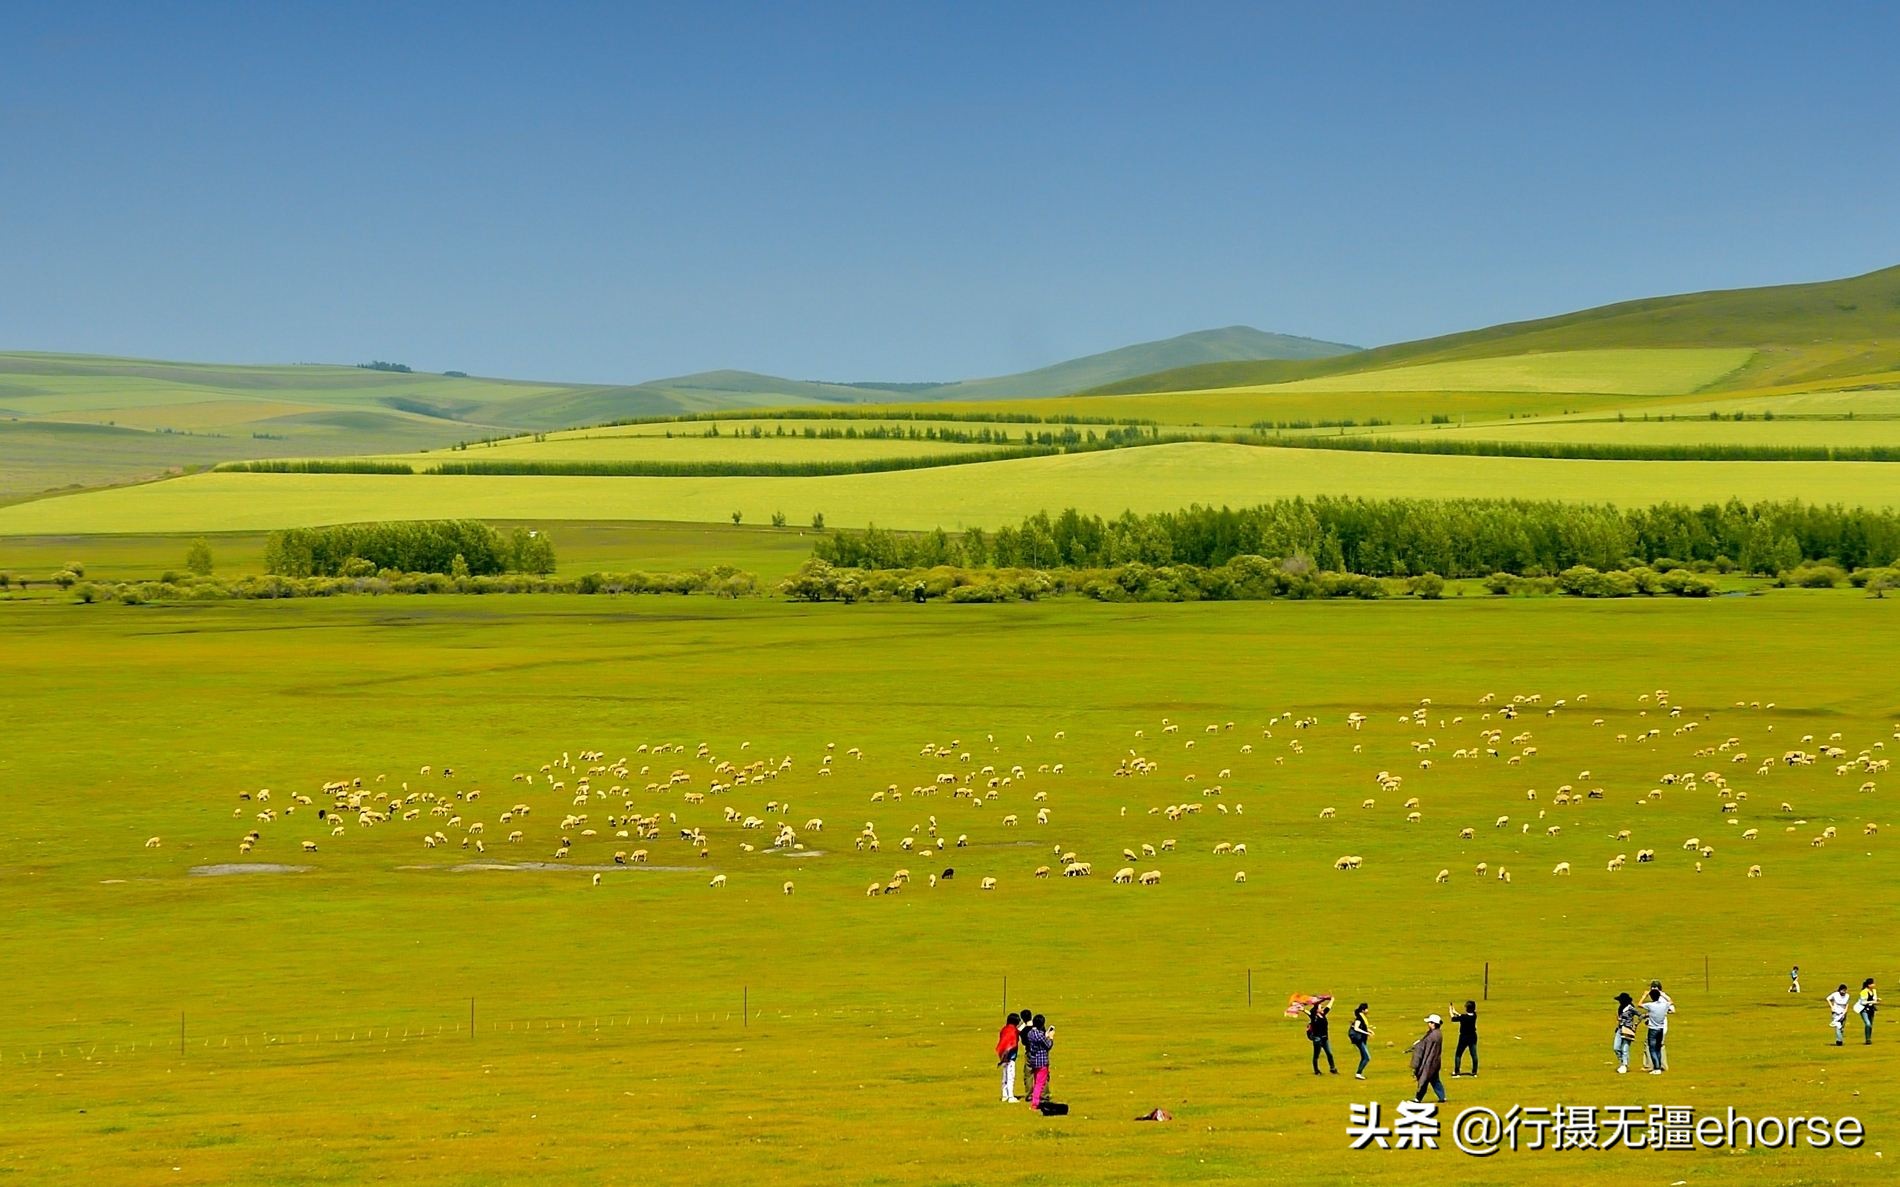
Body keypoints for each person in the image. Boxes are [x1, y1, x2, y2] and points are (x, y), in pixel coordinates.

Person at [1409, 1014, 1445, 1102]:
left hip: (1429, 1062)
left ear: (1433, 1024)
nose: (1428, 1024)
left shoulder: (1433, 1036)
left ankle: (1418, 1098)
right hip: (1435, 1062)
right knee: (1435, 1080)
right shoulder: (1437, 1033)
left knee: (1424, 1080)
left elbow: (1425, 1048)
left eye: (1430, 1022)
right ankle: (1442, 1097)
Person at [1023, 1014, 1055, 1109]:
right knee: (1040, 1083)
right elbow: (1048, 1045)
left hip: (1034, 1060)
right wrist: (1051, 1037)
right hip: (1042, 1061)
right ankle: (1035, 1103)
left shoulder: (1030, 1033)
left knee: (1037, 1081)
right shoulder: (1040, 1035)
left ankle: (1035, 1100)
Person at [1642, 986, 1674, 1074]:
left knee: (1652, 1049)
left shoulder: (1650, 1005)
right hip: (1661, 1028)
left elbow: (1639, 1004)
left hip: (1652, 1029)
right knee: (1658, 1048)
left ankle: (1656, 1068)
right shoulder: (1664, 1005)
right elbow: (1671, 1002)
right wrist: (1663, 994)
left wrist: (1644, 995)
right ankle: (1659, 1066)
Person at [996, 1012, 1022, 1102]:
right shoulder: (1013, 1030)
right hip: (1010, 1057)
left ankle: (1004, 1095)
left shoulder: (1005, 1029)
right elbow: (1012, 1043)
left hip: (1003, 1057)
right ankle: (1011, 1096)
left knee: (1004, 1076)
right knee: (1010, 1076)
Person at [1307, 998, 1337, 1075]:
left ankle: (1332, 1068)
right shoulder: (1314, 1017)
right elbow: (1309, 1013)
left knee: (1329, 1053)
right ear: (1316, 1010)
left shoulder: (1322, 1014)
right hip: (1318, 1039)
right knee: (1316, 1055)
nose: (1322, 1008)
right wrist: (1302, 1009)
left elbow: (1328, 1007)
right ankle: (1316, 1071)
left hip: (1325, 1038)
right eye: (1320, 1007)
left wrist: (1332, 1000)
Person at [1449, 1000, 1478, 1076]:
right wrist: (1455, 1011)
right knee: (1474, 1054)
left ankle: (1456, 1071)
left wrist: (1450, 1010)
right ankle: (1474, 1072)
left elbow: (1453, 1018)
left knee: (1458, 1054)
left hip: (1464, 1037)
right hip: (1473, 1037)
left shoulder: (1463, 1017)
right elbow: (1462, 1016)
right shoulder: (1474, 1015)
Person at [1612, 992, 1639, 1073]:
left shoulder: (1631, 1008)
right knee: (1616, 1048)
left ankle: (1624, 1064)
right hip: (1620, 1029)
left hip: (1628, 1030)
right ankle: (1622, 1063)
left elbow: (1640, 1015)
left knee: (1625, 1049)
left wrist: (1635, 1025)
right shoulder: (1620, 1008)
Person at [1347, 1003, 1374, 1080]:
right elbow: (1356, 1028)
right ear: (1363, 1010)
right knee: (1367, 1057)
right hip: (1359, 1040)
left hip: (1361, 1039)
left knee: (1364, 1057)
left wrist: (1369, 1031)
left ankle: (1359, 1073)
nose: (1367, 1010)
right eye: (1366, 1009)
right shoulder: (1359, 1018)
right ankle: (1358, 1073)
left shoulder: (1362, 1018)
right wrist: (1367, 1033)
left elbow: (1363, 1027)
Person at [1857, 979, 1879, 1044]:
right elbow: (1863, 1002)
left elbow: (1874, 998)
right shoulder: (1864, 992)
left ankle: (1868, 1039)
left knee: (1870, 1025)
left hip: (1871, 1009)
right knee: (1868, 1024)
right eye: (1872, 984)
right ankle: (1867, 1038)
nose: (1874, 985)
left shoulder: (1874, 991)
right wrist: (1872, 1001)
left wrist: (1876, 1000)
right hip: (1864, 1010)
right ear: (1869, 985)